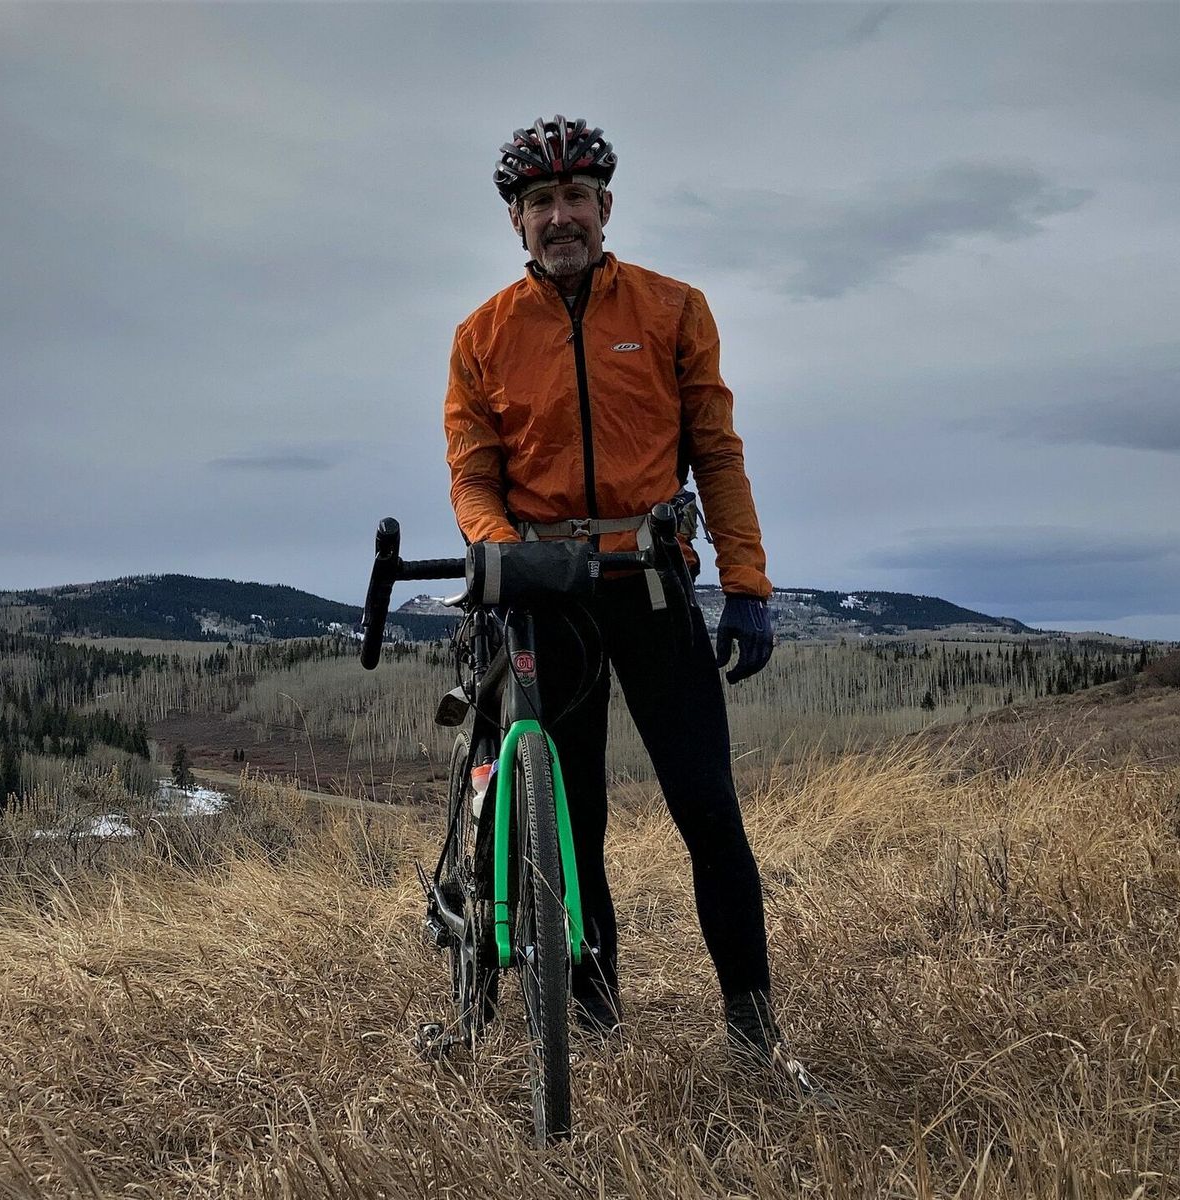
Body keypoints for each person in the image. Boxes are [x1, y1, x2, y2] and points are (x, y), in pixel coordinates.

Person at [443, 115, 802, 1074]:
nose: (559, 216)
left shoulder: (673, 309)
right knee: (574, 821)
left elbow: (715, 454)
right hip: (546, 597)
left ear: (605, 207)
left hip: (650, 586)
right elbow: (473, 475)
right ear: (516, 222)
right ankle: (594, 1025)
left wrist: (746, 583)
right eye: (540, 202)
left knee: (707, 809)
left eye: (575, 197)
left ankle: (754, 1032)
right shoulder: (482, 336)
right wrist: (502, 553)